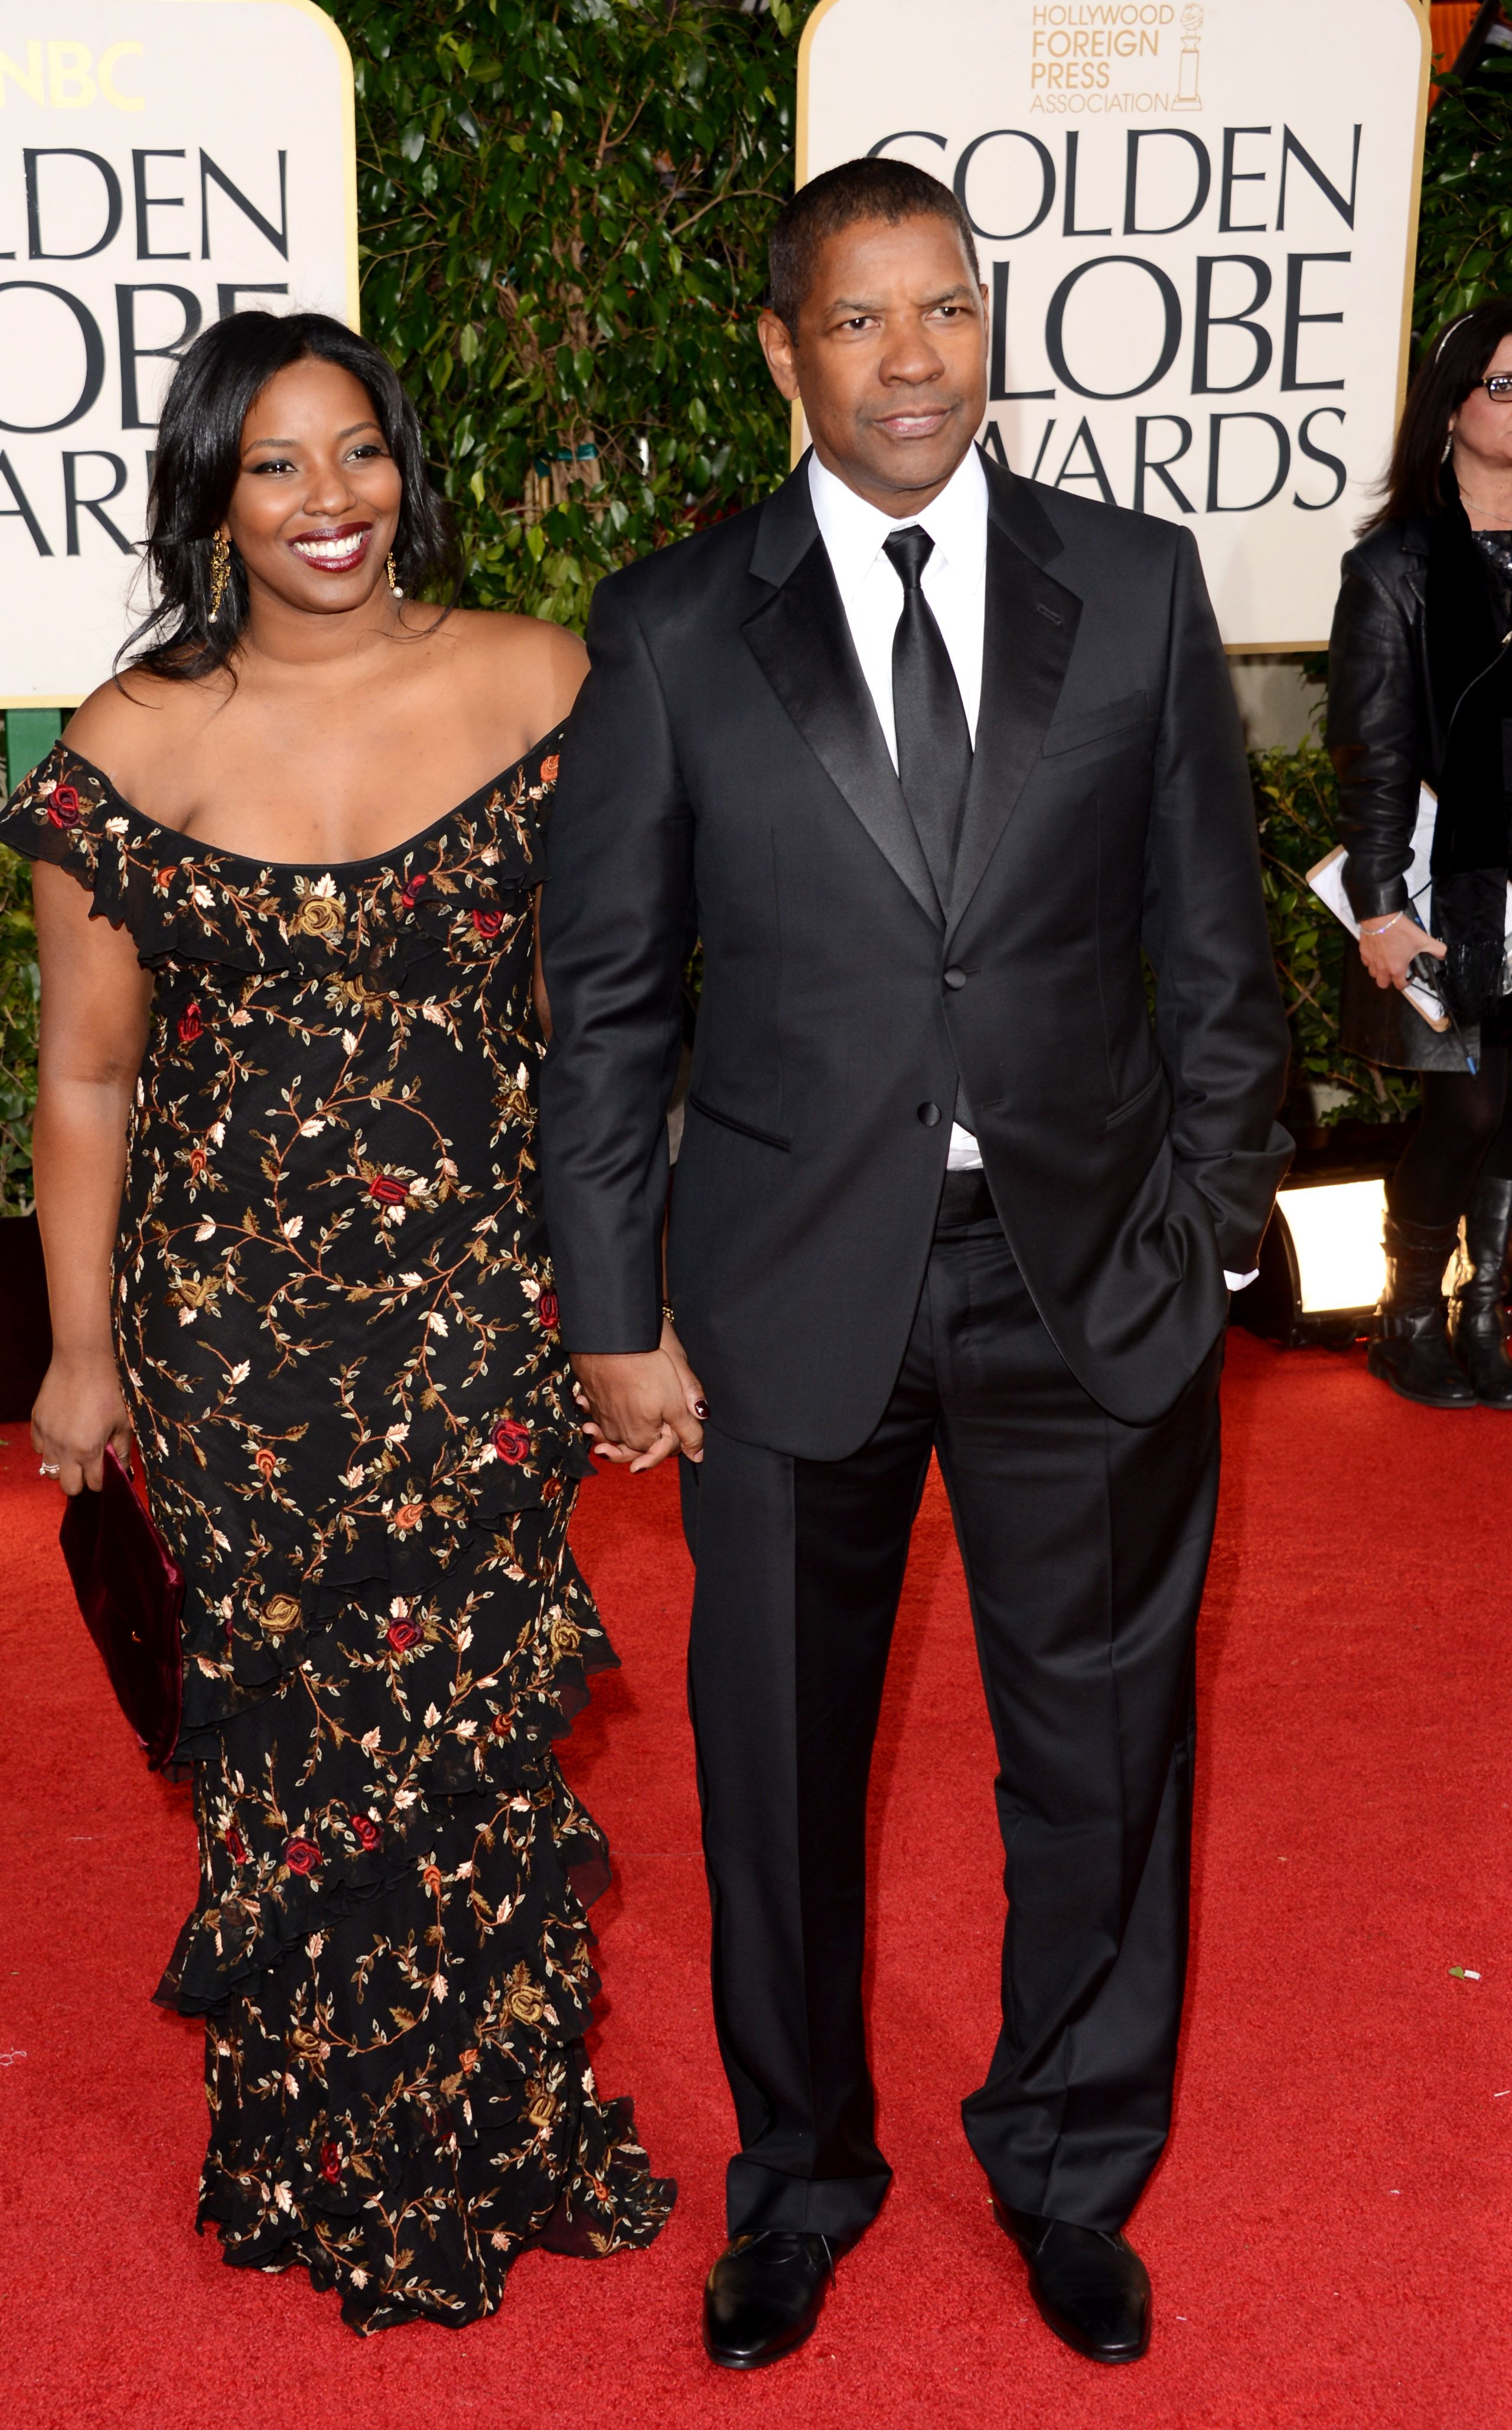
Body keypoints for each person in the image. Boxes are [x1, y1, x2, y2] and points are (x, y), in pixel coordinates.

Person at [537, 158, 1291, 2372]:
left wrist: (1208, 1222)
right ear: (786, 350)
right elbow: (612, 1005)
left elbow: (1214, 945)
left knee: (1104, 1761)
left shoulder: (1132, 586)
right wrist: (612, 1312)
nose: (911, 360)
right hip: (785, 1296)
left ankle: (1068, 2170)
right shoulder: (674, 625)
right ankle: (799, 2180)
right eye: (860, 320)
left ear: (990, 324)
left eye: (945, 308)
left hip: (1092, 1280)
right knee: (774, 1773)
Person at [0, 308, 672, 2334]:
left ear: (405, 469)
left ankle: (500, 2132)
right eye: (274, 464)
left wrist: (629, 1299)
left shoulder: (540, 681)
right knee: (297, 1748)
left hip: (479, 1315)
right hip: (234, 1343)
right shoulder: (128, 740)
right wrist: (82, 1352)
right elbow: (86, 1077)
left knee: (466, 1735)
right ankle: (323, 2151)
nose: (328, 500)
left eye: (358, 451)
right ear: (211, 498)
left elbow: (600, 1038)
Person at [1328, 298, 1512, 1409]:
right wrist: (1381, 906)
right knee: (1471, 1108)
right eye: (1506, 386)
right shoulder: (1396, 565)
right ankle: (1406, 1321)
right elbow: (1374, 750)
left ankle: (1483, 1315)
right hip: (1455, 889)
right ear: (1450, 409)